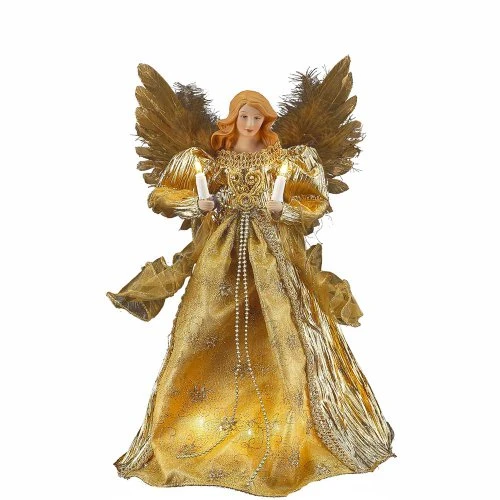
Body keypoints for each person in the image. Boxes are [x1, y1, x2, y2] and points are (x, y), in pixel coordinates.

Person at [106, 59, 395, 497]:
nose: (249, 123)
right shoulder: (210, 160)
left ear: (265, 121)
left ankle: (290, 425)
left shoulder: (285, 160)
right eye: (244, 115)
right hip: (219, 255)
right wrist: (199, 205)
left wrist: (285, 209)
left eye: (257, 117)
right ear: (233, 117)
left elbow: (315, 202)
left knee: (283, 333)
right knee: (201, 332)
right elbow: (164, 195)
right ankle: (189, 426)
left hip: (272, 255)